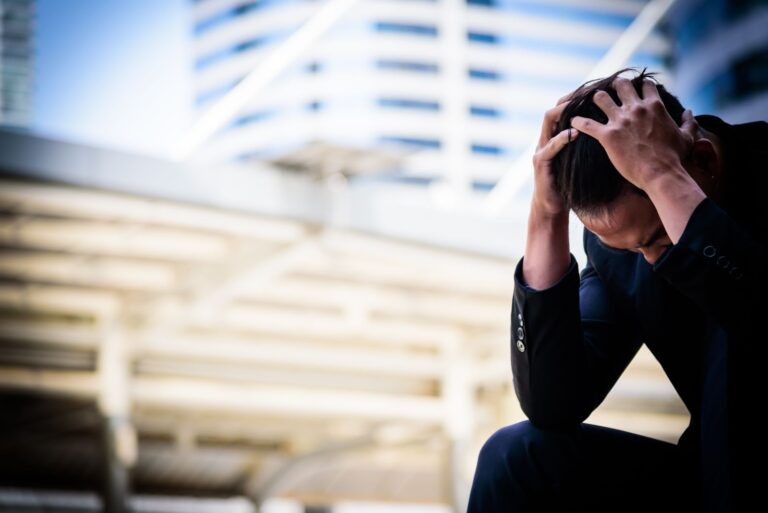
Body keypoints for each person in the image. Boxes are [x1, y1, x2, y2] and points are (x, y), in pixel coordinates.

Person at [466, 68, 768, 513]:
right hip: (708, 481)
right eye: (625, 247)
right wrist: (547, 214)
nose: (648, 261)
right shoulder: (621, 249)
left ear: (702, 162)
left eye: (656, 241)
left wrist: (664, 180)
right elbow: (554, 404)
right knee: (514, 457)